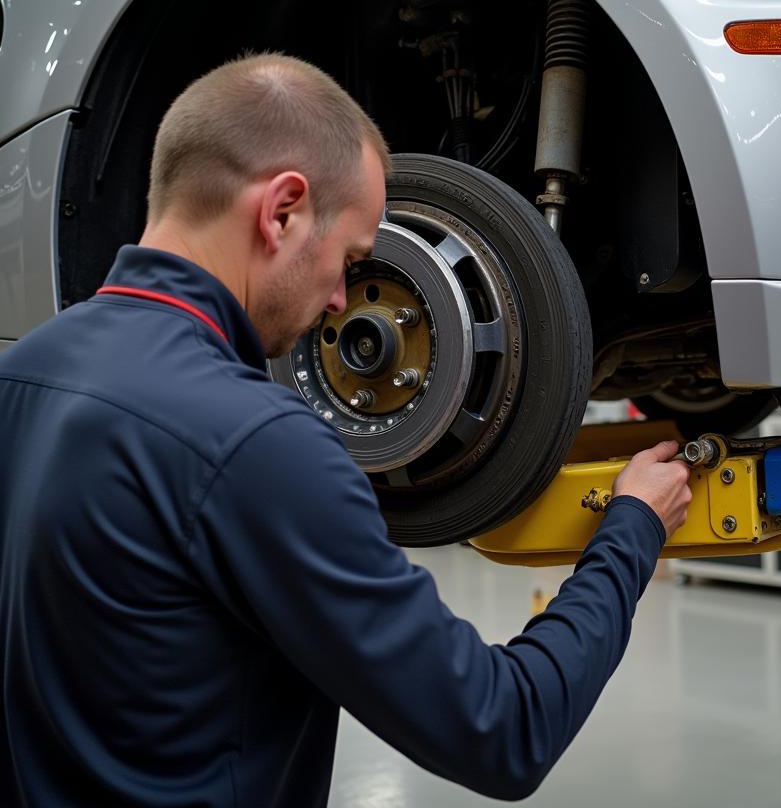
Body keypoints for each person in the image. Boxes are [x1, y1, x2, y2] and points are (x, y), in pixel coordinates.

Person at [0, 53, 692, 807]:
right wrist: (632, 532)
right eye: (352, 261)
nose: (340, 301)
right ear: (283, 210)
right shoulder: (260, 445)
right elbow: (503, 729)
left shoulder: (22, 375)